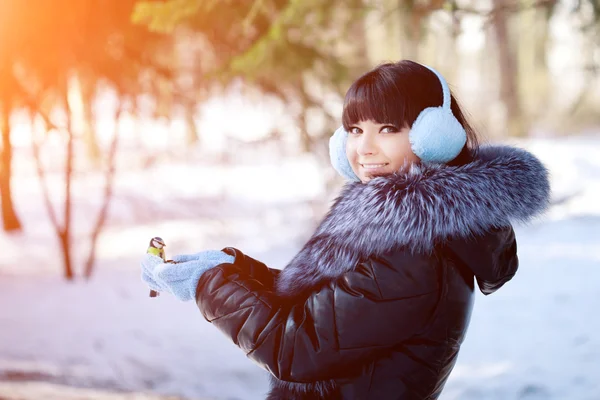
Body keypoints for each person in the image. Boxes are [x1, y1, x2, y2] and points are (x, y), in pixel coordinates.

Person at [141, 60, 551, 400]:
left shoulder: (415, 252)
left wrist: (208, 285)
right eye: (355, 130)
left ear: (434, 137)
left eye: (388, 129)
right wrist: (233, 270)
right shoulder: (409, 233)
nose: (364, 148)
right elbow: (328, 310)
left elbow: (297, 349)